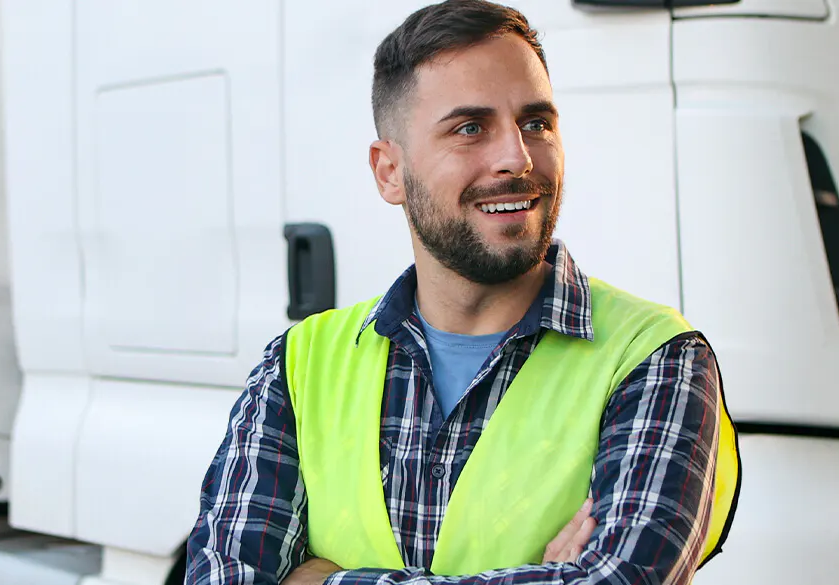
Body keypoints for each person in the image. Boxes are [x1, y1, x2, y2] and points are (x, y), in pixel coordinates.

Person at [184, 2, 738, 584]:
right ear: (388, 172)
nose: (516, 157)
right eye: (470, 128)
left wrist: (319, 581)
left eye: (536, 123)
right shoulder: (298, 365)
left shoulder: (655, 358)